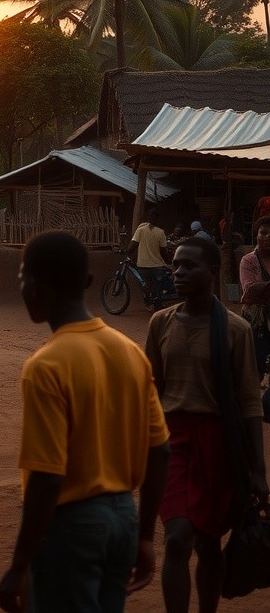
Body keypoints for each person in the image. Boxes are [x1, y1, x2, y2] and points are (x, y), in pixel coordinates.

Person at [0, 231, 170, 613]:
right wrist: (144, 537)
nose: (22, 287)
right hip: (122, 519)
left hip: (71, 526)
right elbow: (160, 450)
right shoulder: (130, 353)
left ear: (35, 287)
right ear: (88, 283)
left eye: (23, 278)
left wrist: (20, 564)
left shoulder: (46, 365)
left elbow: (47, 475)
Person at [145, 236, 268, 613]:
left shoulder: (235, 330)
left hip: (218, 443)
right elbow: (151, 391)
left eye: (188, 266)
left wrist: (258, 471)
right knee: (179, 536)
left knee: (209, 541)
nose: (178, 272)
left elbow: (249, 400)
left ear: (212, 273)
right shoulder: (160, 322)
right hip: (173, 443)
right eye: (175, 265)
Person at [239, 214, 270, 378]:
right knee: (255, 364)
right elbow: (249, 288)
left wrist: (263, 288)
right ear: (256, 235)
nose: (267, 237)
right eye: (263, 233)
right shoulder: (248, 260)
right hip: (255, 319)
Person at [127, 207, 172, 308]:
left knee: (146, 284)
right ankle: (157, 302)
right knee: (159, 285)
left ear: (147, 218)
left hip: (143, 265)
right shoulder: (160, 232)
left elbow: (131, 248)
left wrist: (131, 257)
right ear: (157, 219)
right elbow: (163, 251)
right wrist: (168, 262)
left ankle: (148, 302)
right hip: (158, 266)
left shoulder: (140, 230)